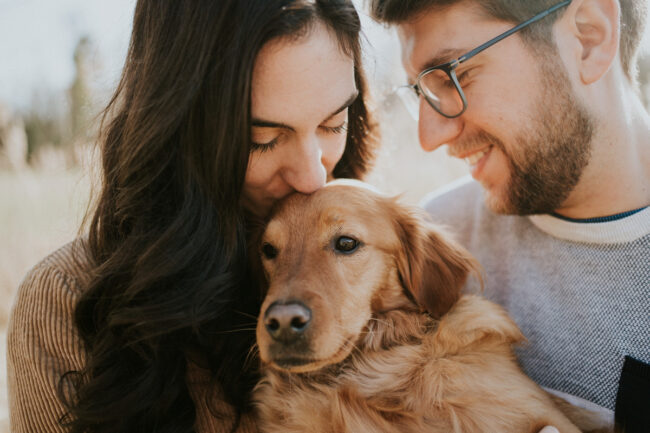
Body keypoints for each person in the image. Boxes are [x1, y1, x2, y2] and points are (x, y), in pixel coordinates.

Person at [7, 1, 377, 432]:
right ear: (179, 128)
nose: (313, 175)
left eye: (334, 123)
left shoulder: (386, 266)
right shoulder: (65, 302)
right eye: (262, 139)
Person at [371, 0, 650, 431]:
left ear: (588, 38)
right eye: (421, 93)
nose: (429, 136)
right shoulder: (431, 252)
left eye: (455, 75)